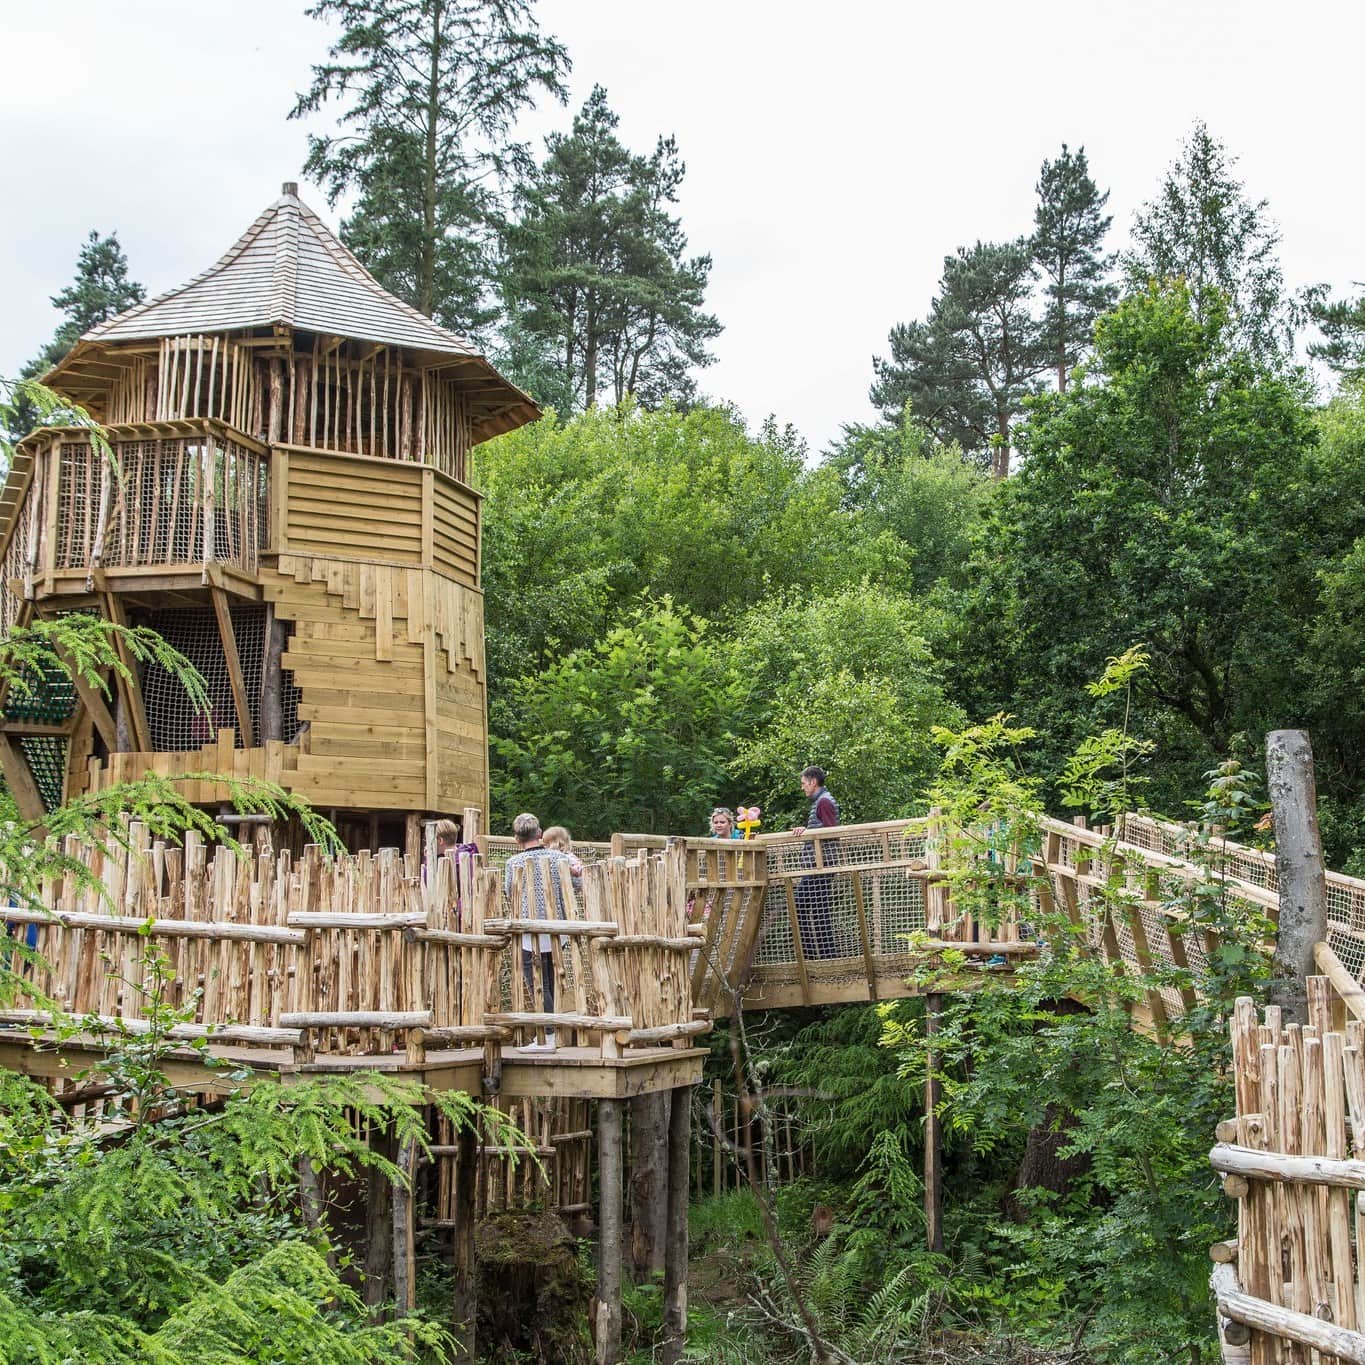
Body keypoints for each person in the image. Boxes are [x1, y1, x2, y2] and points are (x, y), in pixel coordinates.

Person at [502, 813, 577, 1052]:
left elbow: (508, 892)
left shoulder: (513, 863)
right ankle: (552, 1031)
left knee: (537, 983)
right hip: (558, 930)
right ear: (539, 833)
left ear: (516, 839)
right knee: (552, 981)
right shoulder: (559, 858)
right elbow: (576, 885)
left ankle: (548, 1035)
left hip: (529, 931)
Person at [792, 765, 839, 959]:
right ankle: (825, 956)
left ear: (813, 782)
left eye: (804, 783)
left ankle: (814, 956)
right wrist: (807, 830)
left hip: (820, 865)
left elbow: (831, 831)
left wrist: (807, 832)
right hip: (818, 864)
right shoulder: (821, 801)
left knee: (801, 906)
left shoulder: (824, 802)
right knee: (819, 910)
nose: (803, 787)